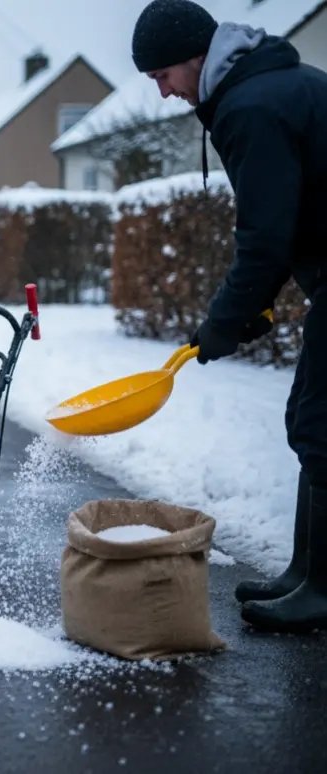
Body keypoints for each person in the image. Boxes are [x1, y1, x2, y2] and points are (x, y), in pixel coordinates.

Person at [131, 0, 327, 633]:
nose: (163, 92)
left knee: (320, 423)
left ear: (196, 56)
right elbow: (291, 219)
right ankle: (306, 573)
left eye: (162, 75)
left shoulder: (251, 106)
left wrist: (223, 319)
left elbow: (265, 236)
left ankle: (321, 590)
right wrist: (254, 308)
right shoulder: (262, 89)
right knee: (312, 419)